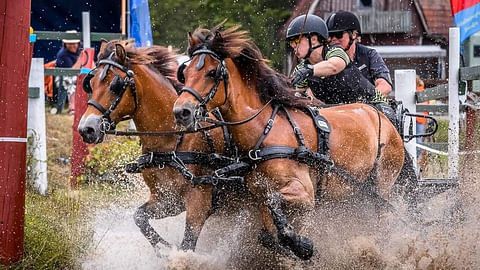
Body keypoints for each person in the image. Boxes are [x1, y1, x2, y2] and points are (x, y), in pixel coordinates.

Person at [287, 14, 376, 104]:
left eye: (296, 41)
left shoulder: (335, 51)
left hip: (373, 104)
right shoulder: (301, 68)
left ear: (313, 39)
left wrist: (309, 70)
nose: (293, 46)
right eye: (291, 43)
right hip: (340, 112)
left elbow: (333, 66)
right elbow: (298, 96)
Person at [326, 10, 393, 97]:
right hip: (334, 108)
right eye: (330, 36)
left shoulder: (369, 55)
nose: (333, 39)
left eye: (338, 34)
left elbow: (385, 86)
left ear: (353, 35)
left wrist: (365, 102)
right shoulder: (324, 57)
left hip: (365, 106)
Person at [54, 30, 81, 114]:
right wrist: (81, 59)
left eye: (74, 43)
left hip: (80, 74)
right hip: (62, 77)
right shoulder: (62, 54)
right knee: (71, 81)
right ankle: (72, 108)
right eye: (69, 43)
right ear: (65, 44)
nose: (72, 46)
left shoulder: (81, 49)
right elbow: (71, 72)